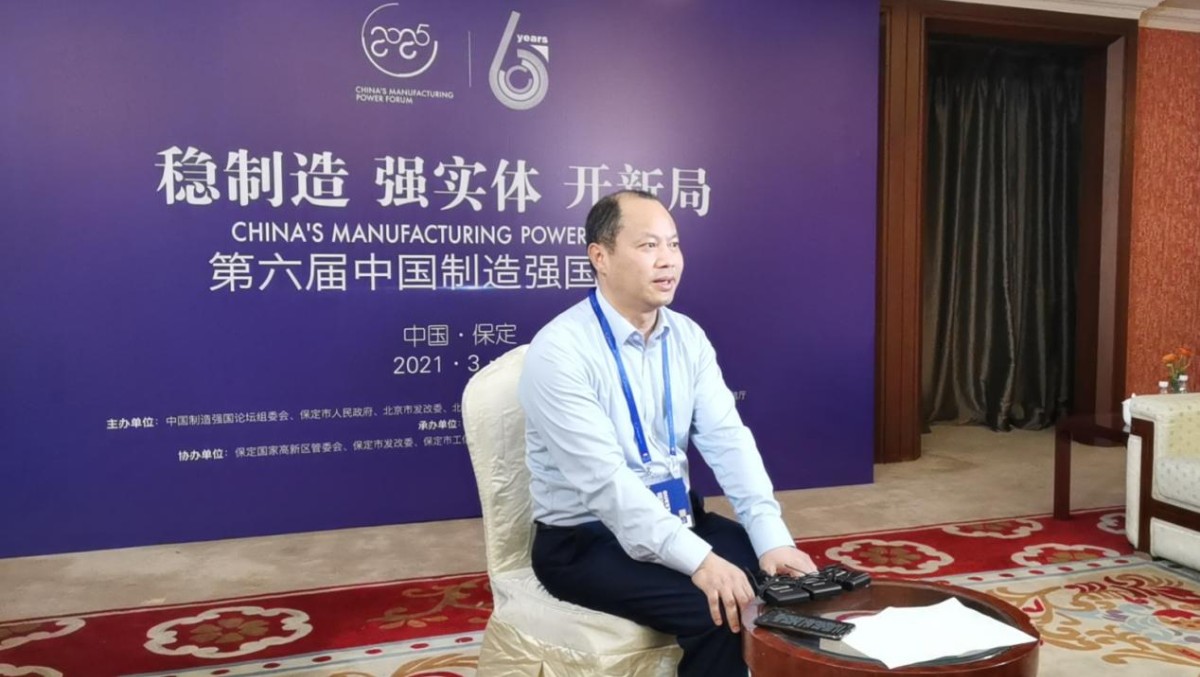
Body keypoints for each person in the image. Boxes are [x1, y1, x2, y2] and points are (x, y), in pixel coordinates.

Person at [518, 189, 816, 676]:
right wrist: (701, 562)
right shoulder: (560, 352)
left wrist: (771, 538)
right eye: (648, 245)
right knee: (721, 610)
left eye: (673, 244)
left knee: (791, 582)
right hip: (586, 541)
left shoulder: (687, 337)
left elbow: (728, 440)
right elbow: (606, 486)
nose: (668, 260)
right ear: (600, 257)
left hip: (676, 515)